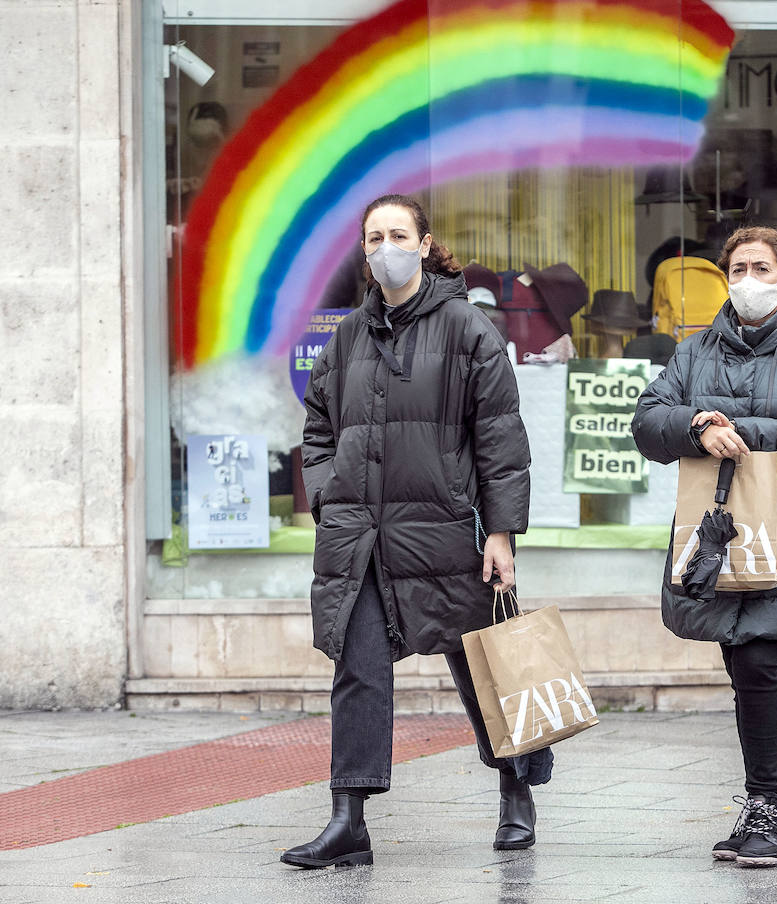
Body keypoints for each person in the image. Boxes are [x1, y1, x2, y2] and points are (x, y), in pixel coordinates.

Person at [284, 194, 536, 869]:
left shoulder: (467, 329)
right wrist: (330, 497)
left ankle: (515, 788)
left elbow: (501, 439)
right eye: (374, 237)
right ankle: (349, 818)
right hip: (361, 537)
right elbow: (316, 429)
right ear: (363, 252)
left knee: (480, 663)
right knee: (357, 667)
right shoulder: (346, 339)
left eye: (399, 234)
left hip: (446, 527)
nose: (386, 247)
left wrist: (502, 532)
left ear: (425, 245)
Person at [631, 226, 777, 868]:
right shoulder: (695, 351)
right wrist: (697, 425)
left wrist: (747, 432)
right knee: (740, 662)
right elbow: (648, 423)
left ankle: (766, 809)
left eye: (760, 268)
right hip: (717, 534)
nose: (747, 279)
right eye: (737, 268)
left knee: (757, 662)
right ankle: (758, 806)